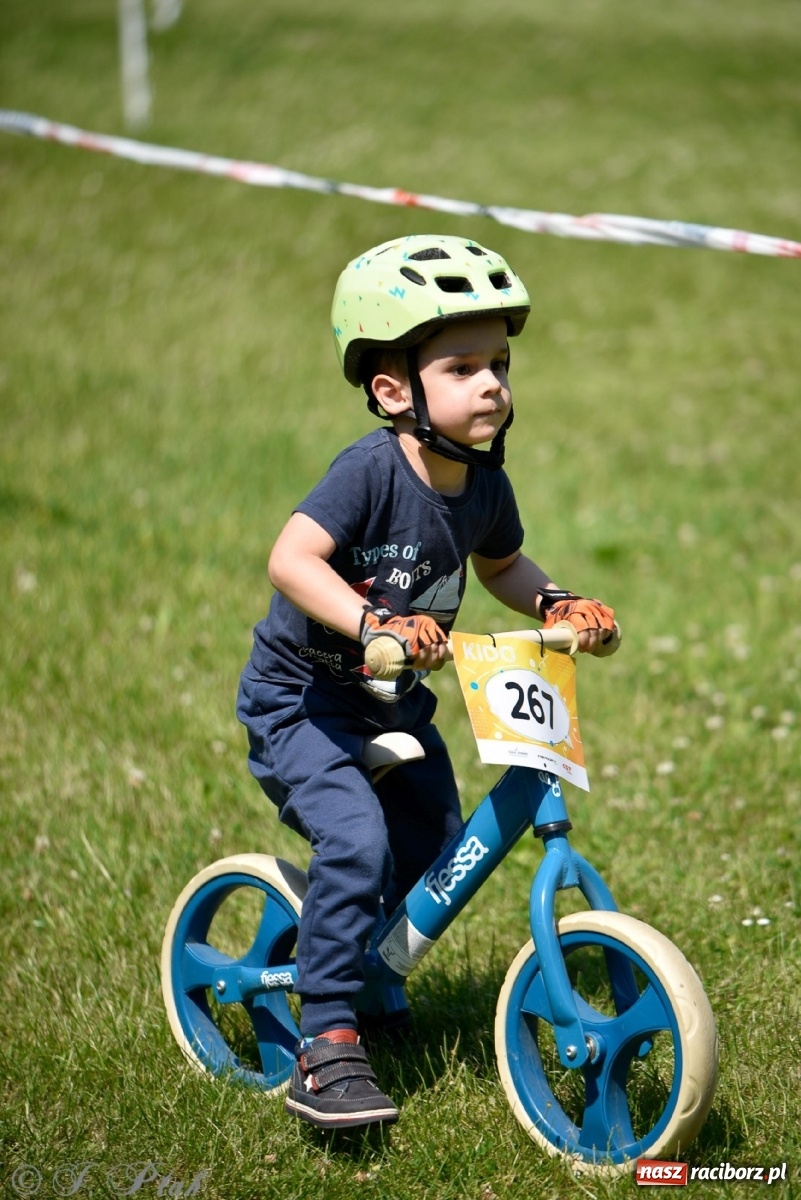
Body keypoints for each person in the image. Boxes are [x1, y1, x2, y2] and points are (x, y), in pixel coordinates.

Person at [237, 234, 618, 1130]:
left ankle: (370, 971)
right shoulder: (369, 472)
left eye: (499, 365)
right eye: (461, 367)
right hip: (304, 703)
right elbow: (292, 560)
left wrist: (557, 601)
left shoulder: (482, 483)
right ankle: (326, 1040)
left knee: (435, 844)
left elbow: (502, 565)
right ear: (392, 390)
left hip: (395, 701)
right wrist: (374, 624)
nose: (491, 385)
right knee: (356, 845)